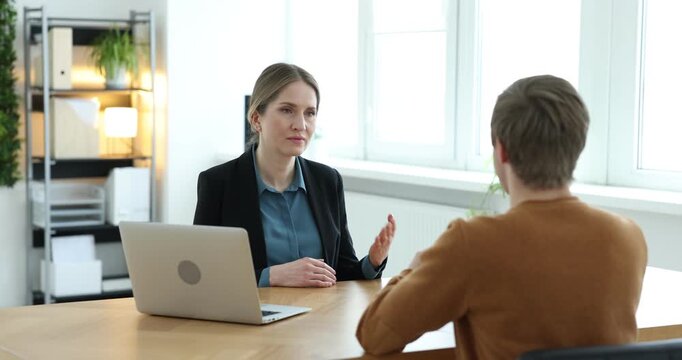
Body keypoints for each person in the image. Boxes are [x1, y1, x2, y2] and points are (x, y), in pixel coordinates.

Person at [356, 75, 647, 359]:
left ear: (502, 151)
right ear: (578, 146)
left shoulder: (473, 243)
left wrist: (413, 270)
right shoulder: (627, 236)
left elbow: (375, 335)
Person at [193, 63, 396, 288]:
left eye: (310, 113)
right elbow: (204, 275)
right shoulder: (218, 183)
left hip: (320, 317)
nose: (301, 125)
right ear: (256, 119)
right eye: (287, 110)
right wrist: (271, 276)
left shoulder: (327, 181)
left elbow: (341, 270)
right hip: (253, 320)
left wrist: (372, 262)